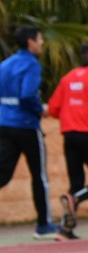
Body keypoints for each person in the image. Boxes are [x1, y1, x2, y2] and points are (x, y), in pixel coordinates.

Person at [47, 41, 88, 240]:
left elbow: (53, 109)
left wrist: (72, 115)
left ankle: (65, 230)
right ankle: (75, 199)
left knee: (76, 182)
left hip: (70, 136)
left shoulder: (67, 78)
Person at [0, 25, 58, 239]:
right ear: (30, 42)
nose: (42, 42)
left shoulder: (5, 64)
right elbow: (27, 94)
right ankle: (44, 225)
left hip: (4, 125)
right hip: (26, 126)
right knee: (39, 176)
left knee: (3, 174)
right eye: (40, 39)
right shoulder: (32, 64)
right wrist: (39, 109)